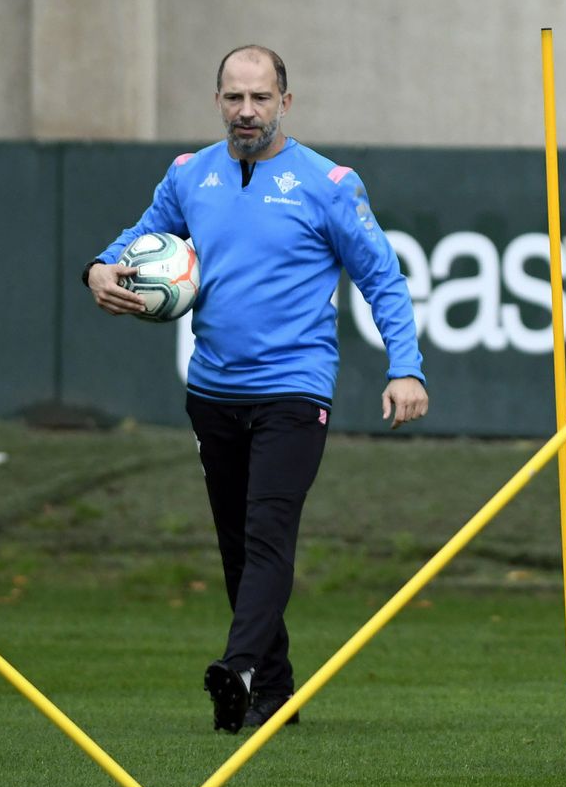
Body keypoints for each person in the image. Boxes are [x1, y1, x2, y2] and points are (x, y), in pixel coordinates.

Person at [84, 45, 429, 733]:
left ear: (285, 103)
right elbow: (140, 236)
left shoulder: (328, 183)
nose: (247, 111)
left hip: (294, 392)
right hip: (211, 391)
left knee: (268, 536)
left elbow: (382, 277)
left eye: (261, 98)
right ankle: (277, 690)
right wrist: (98, 267)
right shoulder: (189, 176)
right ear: (218, 100)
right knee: (238, 548)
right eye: (234, 97)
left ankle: (238, 669)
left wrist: (406, 366)